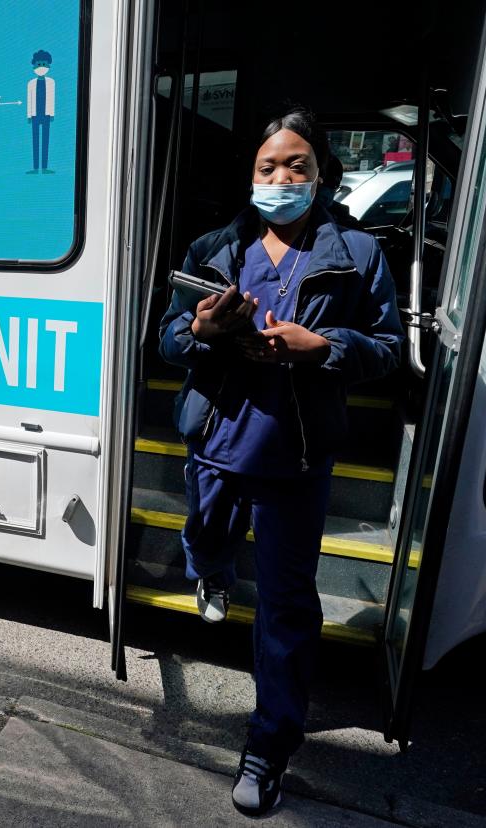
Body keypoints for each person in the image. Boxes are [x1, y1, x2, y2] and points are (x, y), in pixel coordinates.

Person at [158, 106, 403, 817]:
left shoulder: (357, 256)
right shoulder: (215, 249)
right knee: (205, 540)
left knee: (286, 610)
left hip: (294, 460)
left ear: (320, 173)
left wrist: (322, 348)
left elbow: (385, 349)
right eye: (268, 166)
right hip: (216, 443)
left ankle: (269, 745)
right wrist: (203, 328)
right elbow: (170, 340)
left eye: (296, 164)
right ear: (252, 175)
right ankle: (209, 571)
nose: (281, 177)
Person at [26, 50, 56, 174]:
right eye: (38, 64)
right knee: (35, 140)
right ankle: (35, 167)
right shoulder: (31, 83)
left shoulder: (51, 82)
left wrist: (52, 113)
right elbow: (29, 99)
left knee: (45, 140)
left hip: (46, 115)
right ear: (34, 66)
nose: (41, 67)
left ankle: (44, 167)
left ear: (48, 65)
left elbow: (52, 98)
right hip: (34, 115)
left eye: (44, 64)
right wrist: (28, 115)